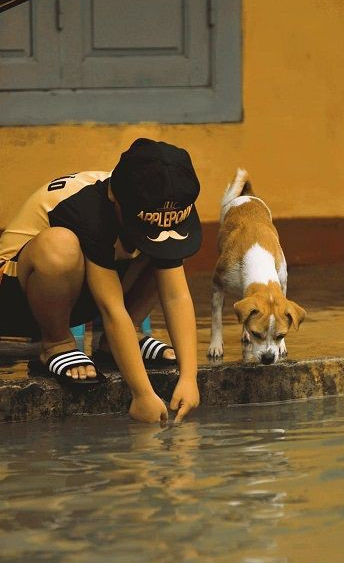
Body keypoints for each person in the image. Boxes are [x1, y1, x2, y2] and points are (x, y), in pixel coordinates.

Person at [0, 138, 201, 424]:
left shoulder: (161, 201)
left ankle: (126, 335)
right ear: (114, 198)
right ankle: (56, 344)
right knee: (61, 245)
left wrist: (189, 376)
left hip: (79, 293)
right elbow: (110, 309)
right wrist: (142, 394)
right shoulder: (86, 208)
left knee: (166, 242)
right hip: (17, 299)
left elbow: (175, 295)